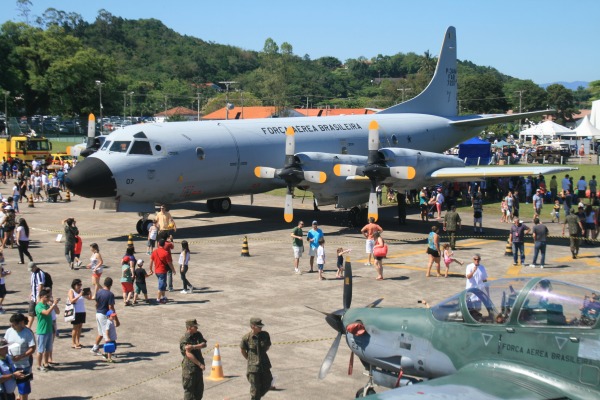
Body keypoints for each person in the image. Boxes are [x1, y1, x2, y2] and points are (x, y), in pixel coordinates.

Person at [4, 313, 35, 400]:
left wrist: (21, 356)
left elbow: (32, 348)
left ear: (21, 323)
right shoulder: (9, 331)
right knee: (10, 388)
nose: (12, 326)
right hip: (11, 365)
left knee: (23, 389)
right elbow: (5, 344)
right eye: (11, 324)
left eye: (14, 325)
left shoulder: (28, 333)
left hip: (23, 366)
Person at [240, 318, 272, 400]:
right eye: (259, 326)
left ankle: (257, 397)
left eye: (261, 326)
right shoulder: (246, 338)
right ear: (253, 326)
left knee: (268, 383)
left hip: (264, 364)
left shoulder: (265, 335)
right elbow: (243, 350)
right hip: (253, 368)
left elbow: (267, 346)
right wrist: (250, 359)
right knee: (255, 388)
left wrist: (261, 354)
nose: (261, 328)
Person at [180, 319, 207, 400]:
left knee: (199, 392)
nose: (197, 328)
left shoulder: (197, 334)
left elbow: (204, 344)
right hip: (189, 370)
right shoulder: (184, 339)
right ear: (189, 328)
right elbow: (188, 354)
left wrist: (194, 346)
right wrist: (200, 364)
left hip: (198, 369)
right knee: (189, 393)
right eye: (195, 327)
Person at [91, 277, 118, 356]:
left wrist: (98, 310)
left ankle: (95, 348)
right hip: (104, 315)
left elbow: (96, 304)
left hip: (98, 313)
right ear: (111, 285)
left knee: (101, 333)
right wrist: (115, 319)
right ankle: (108, 354)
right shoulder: (110, 294)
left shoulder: (99, 292)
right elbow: (111, 308)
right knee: (107, 334)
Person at [35, 289, 59, 372]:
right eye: (47, 297)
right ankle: (39, 365)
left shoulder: (48, 305)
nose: (48, 298)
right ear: (41, 297)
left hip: (49, 330)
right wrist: (53, 305)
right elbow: (46, 313)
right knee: (40, 350)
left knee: (48, 349)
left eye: (49, 296)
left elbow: (58, 312)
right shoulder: (39, 306)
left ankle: (46, 363)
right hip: (41, 331)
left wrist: (54, 305)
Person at [149, 239, 176, 304]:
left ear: (158, 244)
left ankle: (163, 296)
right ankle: (158, 299)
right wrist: (173, 270)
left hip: (157, 271)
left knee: (163, 284)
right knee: (161, 286)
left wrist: (150, 269)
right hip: (162, 271)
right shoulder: (166, 253)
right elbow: (169, 263)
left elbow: (151, 261)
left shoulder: (154, 252)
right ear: (164, 245)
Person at [67, 278, 91, 349]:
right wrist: (79, 295)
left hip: (82, 311)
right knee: (75, 327)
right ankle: (73, 343)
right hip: (75, 311)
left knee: (80, 327)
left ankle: (78, 342)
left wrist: (89, 293)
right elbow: (72, 300)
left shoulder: (81, 291)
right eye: (78, 285)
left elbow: (89, 298)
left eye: (80, 284)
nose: (80, 286)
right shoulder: (71, 291)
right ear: (74, 285)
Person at [26, 262, 45, 329]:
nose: (31, 270)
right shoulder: (33, 273)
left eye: (32, 269)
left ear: (35, 267)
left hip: (38, 297)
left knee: (40, 314)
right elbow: (34, 284)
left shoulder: (40, 273)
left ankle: (41, 327)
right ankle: (28, 327)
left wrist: (38, 297)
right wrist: (31, 293)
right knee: (31, 313)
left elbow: (41, 285)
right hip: (33, 297)